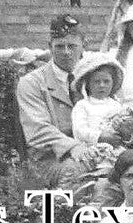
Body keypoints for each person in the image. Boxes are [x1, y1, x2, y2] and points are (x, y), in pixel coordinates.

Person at [16, 14, 89, 168]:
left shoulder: (95, 77)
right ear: (50, 47)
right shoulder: (32, 83)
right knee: (74, 169)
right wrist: (74, 147)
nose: (66, 52)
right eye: (59, 46)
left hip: (94, 149)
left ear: (84, 45)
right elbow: (38, 130)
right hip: (51, 158)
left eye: (72, 46)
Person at [70, 53, 133, 146]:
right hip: (91, 149)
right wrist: (100, 137)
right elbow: (80, 131)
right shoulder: (82, 105)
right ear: (87, 84)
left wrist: (124, 133)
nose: (102, 85)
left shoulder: (116, 105)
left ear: (113, 83)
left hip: (115, 147)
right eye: (97, 82)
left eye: (106, 81)